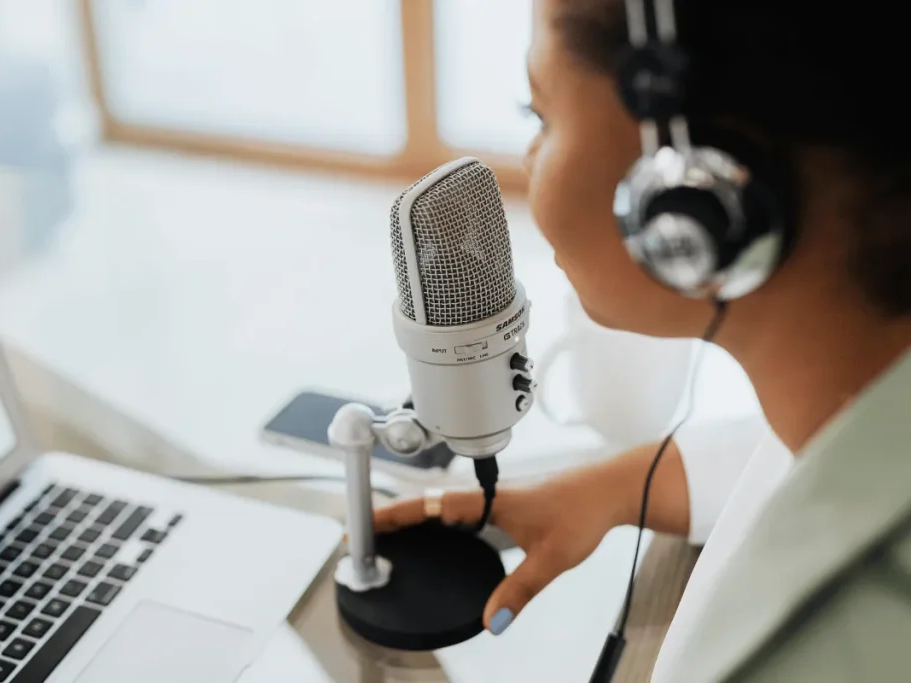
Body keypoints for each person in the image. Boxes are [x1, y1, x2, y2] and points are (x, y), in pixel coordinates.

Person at [374, 1, 911, 680]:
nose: (527, 159)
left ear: (686, 188)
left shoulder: (843, 646)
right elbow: (793, 451)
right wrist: (603, 490)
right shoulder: (858, 390)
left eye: (539, 116)